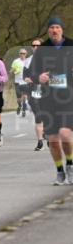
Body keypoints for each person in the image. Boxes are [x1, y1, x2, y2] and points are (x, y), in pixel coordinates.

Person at [27, 16, 73, 185]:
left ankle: (70, 164)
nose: (55, 30)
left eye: (57, 27)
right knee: (53, 139)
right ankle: (60, 170)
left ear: (62, 29)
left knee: (65, 133)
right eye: (52, 27)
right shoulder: (42, 50)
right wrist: (39, 77)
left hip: (68, 97)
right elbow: (31, 74)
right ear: (48, 30)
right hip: (48, 99)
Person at [25, 39, 46, 151]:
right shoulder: (28, 61)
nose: (35, 47)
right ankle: (40, 142)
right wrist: (28, 79)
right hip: (33, 91)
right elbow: (25, 75)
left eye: (38, 46)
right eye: (33, 46)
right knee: (38, 116)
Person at [11, 49, 31, 118]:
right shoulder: (16, 61)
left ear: (26, 54)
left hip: (25, 82)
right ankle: (19, 106)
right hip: (17, 82)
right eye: (21, 53)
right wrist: (14, 70)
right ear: (19, 54)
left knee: (25, 97)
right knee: (19, 98)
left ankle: (24, 110)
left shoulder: (28, 61)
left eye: (24, 53)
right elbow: (11, 71)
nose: (22, 54)